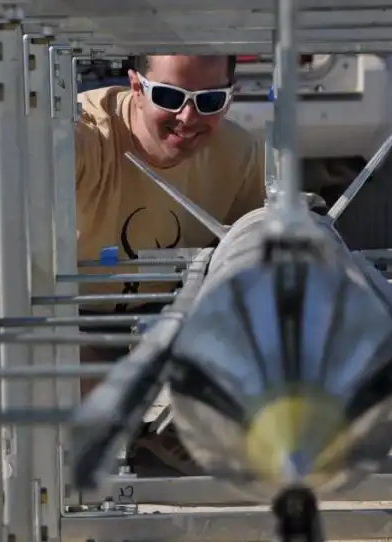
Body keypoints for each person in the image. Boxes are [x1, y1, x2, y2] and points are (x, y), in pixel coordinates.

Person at [74, 54, 266, 475]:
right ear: (136, 87)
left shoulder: (239, 153)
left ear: (231, 96)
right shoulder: (83, 136)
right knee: (84, 434)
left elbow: (254, 261)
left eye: (209, 100)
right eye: (169, 97)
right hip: (73, 317)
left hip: (166, 312)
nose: (188, 117)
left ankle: (176, 438)